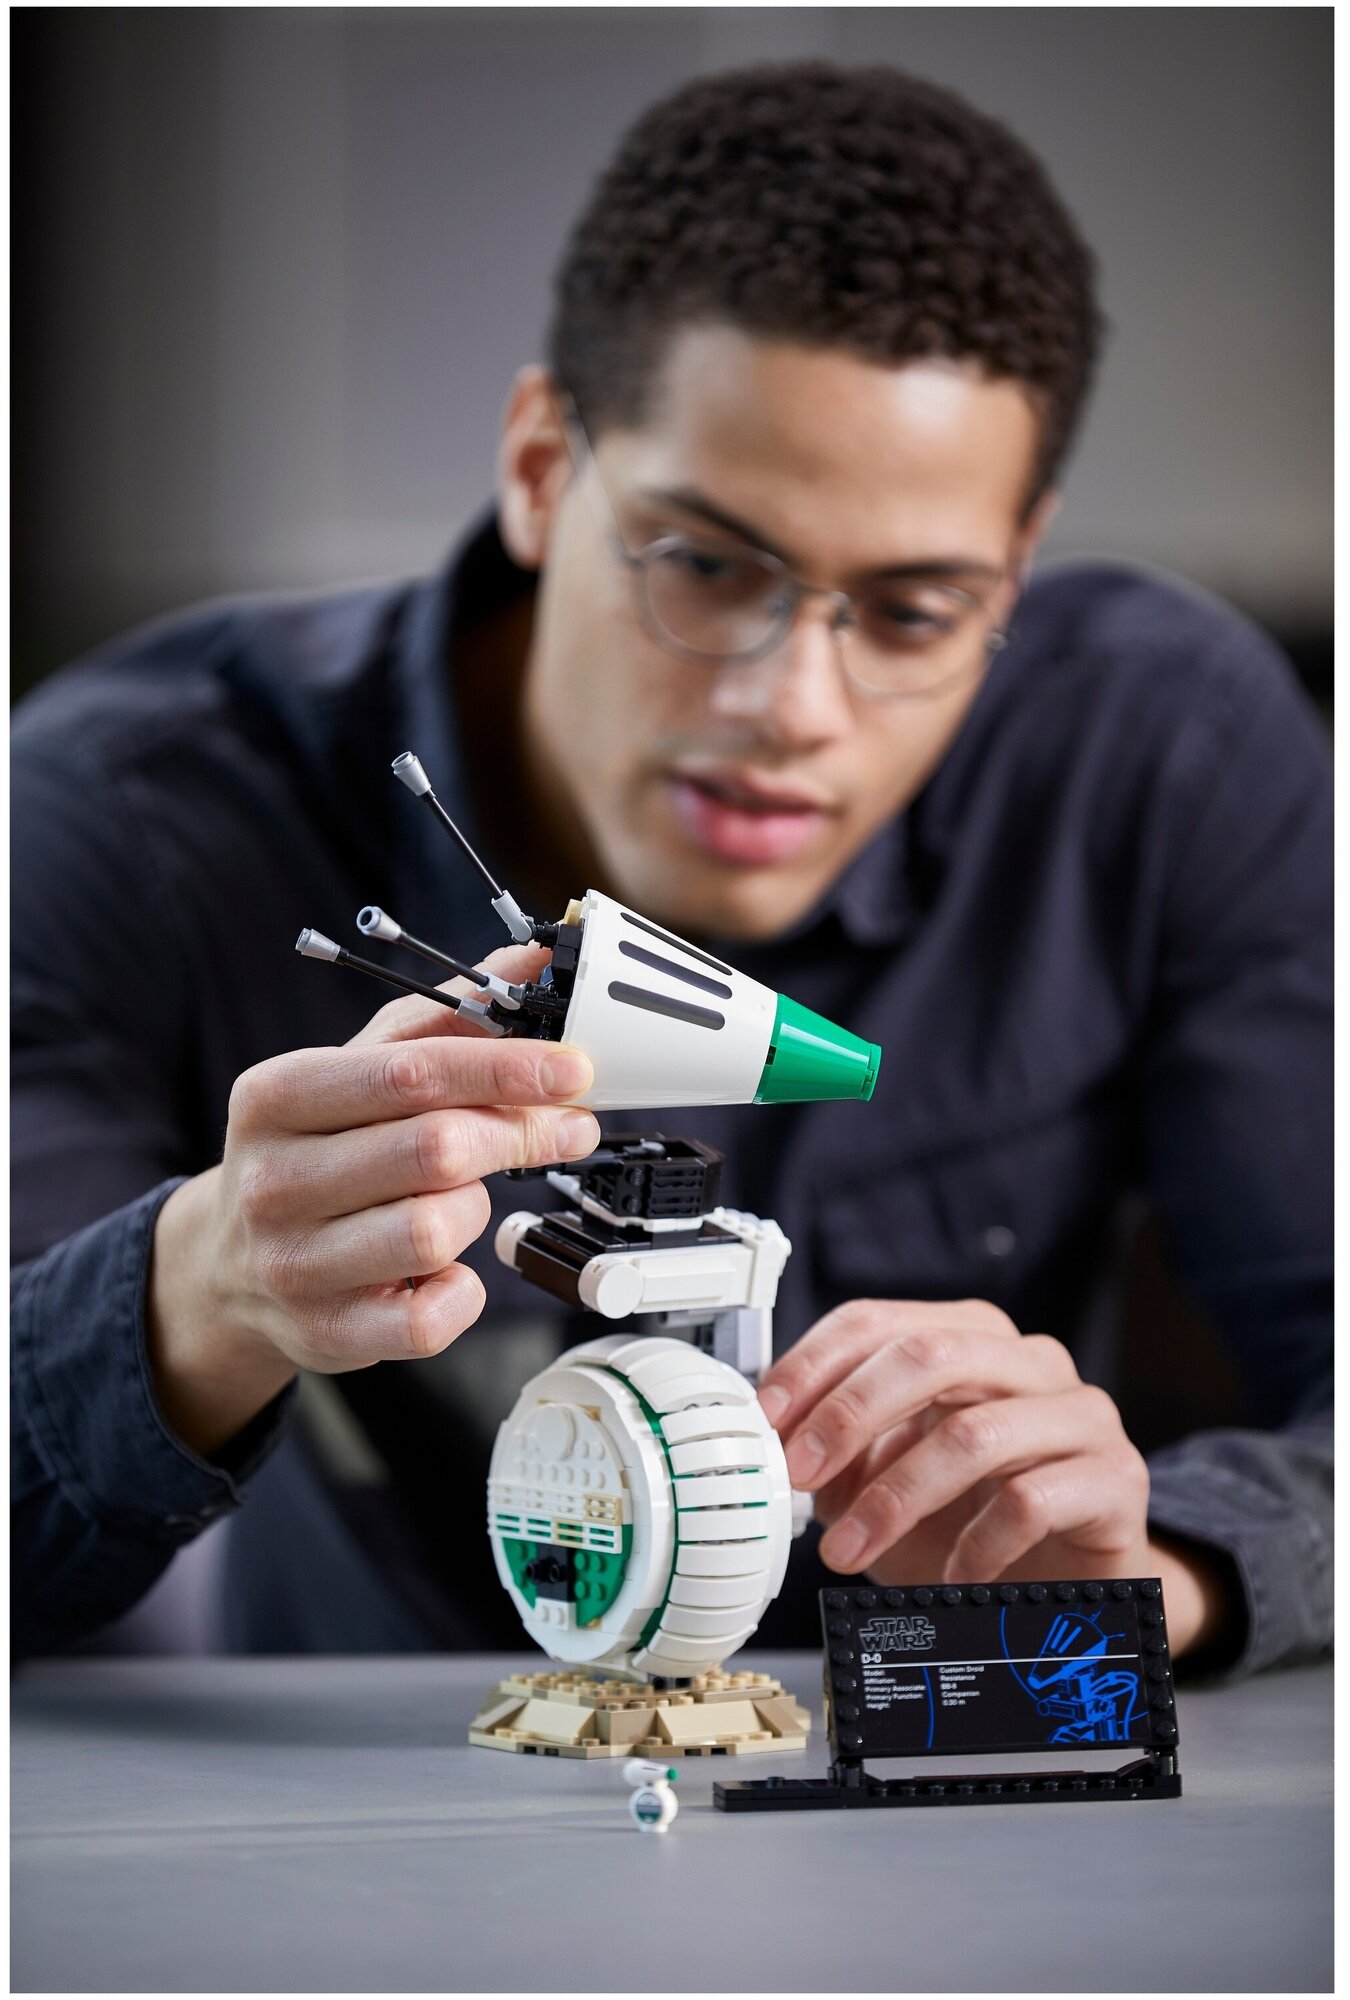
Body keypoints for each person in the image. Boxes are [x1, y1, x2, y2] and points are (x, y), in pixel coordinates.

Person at [12, 63, 1330, 1672]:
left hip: (955, 1776)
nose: (791, 708)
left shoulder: (1166, 755)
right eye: (705, 564)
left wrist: (1166, 1575)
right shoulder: (129, 810)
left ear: (1016, 566)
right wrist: (199, 1292)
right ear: (538, 467)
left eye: (915, 611)